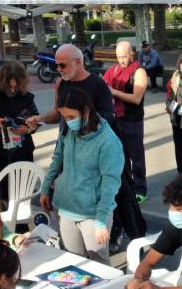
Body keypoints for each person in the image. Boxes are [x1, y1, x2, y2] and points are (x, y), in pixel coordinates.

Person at [40, 89, 124, 265]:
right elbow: (57, 160)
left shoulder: (108, 142)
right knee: (71, 263)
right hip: (65, 208)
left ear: (86, 110)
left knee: (99, 265)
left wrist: (101, 221)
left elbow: (110, 185)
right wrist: (45, 189)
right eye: (65, 117)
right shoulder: (69, 132)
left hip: (92, 215)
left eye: (71, 117)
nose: (68, 122)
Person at [0, 61, 39, 178]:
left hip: (23, 152)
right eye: (10, 86)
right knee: (1, 189)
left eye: (16, 86)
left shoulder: (27, 97)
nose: (13, 90)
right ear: (2, 82)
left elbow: (37, 121)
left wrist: (27, 129)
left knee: (22, 189)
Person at [26, 43, 114, 128]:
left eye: (62, 65)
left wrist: (84, 121)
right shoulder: (60, 83)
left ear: (77, 62)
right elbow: (58, 113)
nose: (59, 69)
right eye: (57, 65)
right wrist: (41, 119)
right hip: (66, 140)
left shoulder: (98, 85)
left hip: (92, 140)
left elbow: (108, 117)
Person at [104, 41, 149, 202]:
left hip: (133, 120)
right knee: (121, 157)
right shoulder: (114, 69)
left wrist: (113, 92)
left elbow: (136, 99)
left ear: (132, 54)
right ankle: (127, 187)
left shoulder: (139, 71)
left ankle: (141, 190)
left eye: (124, 56)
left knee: (136, 157)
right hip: (117, 119)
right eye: (118, 57)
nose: (122, 60)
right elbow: (103, 85)